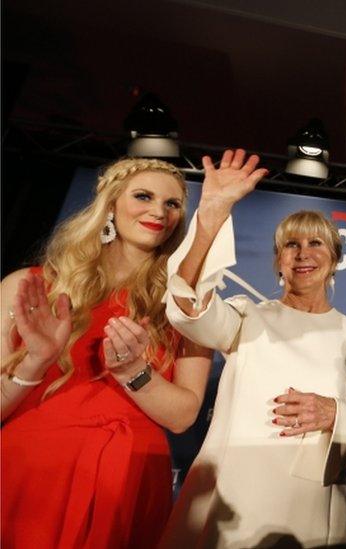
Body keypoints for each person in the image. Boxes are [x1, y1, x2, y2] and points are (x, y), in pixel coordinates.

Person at [161, 149, 346, 548]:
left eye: (316, 243)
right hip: (236, 506)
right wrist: (211, 216)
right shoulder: (247, 317)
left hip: (313, 511)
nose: (302, 253)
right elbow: (187, 310)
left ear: (333, 261)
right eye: (290, 245)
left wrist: (335, 413)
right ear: (278, 261)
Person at [0, 158, 212, 548]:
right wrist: (36, 360)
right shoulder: (28, 286)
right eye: (143, 196)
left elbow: (183, 416)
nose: (158, 211)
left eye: (172, 204)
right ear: (110, 204)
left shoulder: (186, 305)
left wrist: (134, 371)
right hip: (30, 470)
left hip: (126, 478)